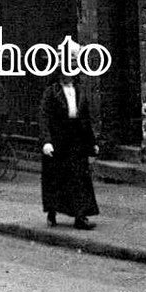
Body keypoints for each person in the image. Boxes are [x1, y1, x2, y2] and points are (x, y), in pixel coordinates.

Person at [40, 54, 99, 230]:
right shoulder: (51, 92)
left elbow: (86, 119)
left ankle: (80, 217)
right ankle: (52, 213)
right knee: (57, 179)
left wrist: (92, 142)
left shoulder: (80, 91)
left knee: (79, 178)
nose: (69, 75)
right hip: (58, 141)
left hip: (77, 139)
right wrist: (46, 142)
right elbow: (44, 118)